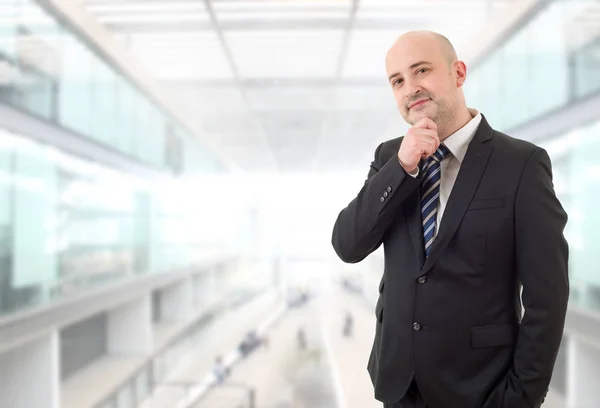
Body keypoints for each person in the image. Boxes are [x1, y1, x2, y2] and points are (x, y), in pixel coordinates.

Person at [331, 30, 569, 408]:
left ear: (458, 73)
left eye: (421, 70)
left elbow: (548, 296)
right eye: (397, 81)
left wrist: (520, 397)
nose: (410, 88)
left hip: (481, 387)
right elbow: (348, 245)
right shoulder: (391, 157)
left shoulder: (521, 164)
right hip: (399, 386)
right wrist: (402, 168)